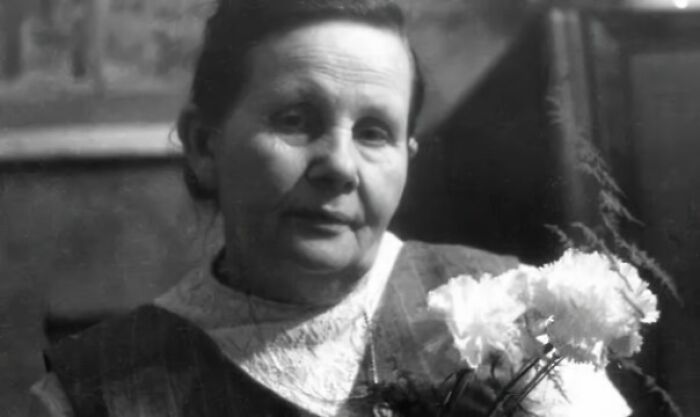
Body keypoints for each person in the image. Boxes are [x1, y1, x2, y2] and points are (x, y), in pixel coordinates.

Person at [29, 0, 631, 416]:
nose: (340, 165)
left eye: (374, 132)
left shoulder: (513, 309)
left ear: (407, 156)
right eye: (295, 120)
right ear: (205, 143)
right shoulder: (94, 391)